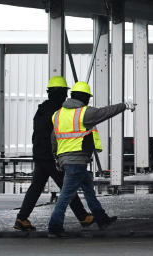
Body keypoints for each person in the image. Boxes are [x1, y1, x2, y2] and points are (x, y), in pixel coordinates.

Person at [47, 80, 135, 237]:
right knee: (66, 195)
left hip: (66, 160)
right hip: (76, 161)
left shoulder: (57, 115)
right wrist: (124, 105)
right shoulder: (83, 113)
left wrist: (56, 159)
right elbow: (105, 112)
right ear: (84, 97)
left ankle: (102, 219)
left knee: (88, 190)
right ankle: (54, 227)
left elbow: (54, 139)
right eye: (88, 98)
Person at [14, 76, 94, 232]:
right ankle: (83, 217)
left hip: (39, 154)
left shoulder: (42, 109)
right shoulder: (58, 111)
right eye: (64, 92)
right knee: (67, 187)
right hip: (50, 156)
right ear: (59, 93)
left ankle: (22, 218)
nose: (66, 95)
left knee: (36, 187)